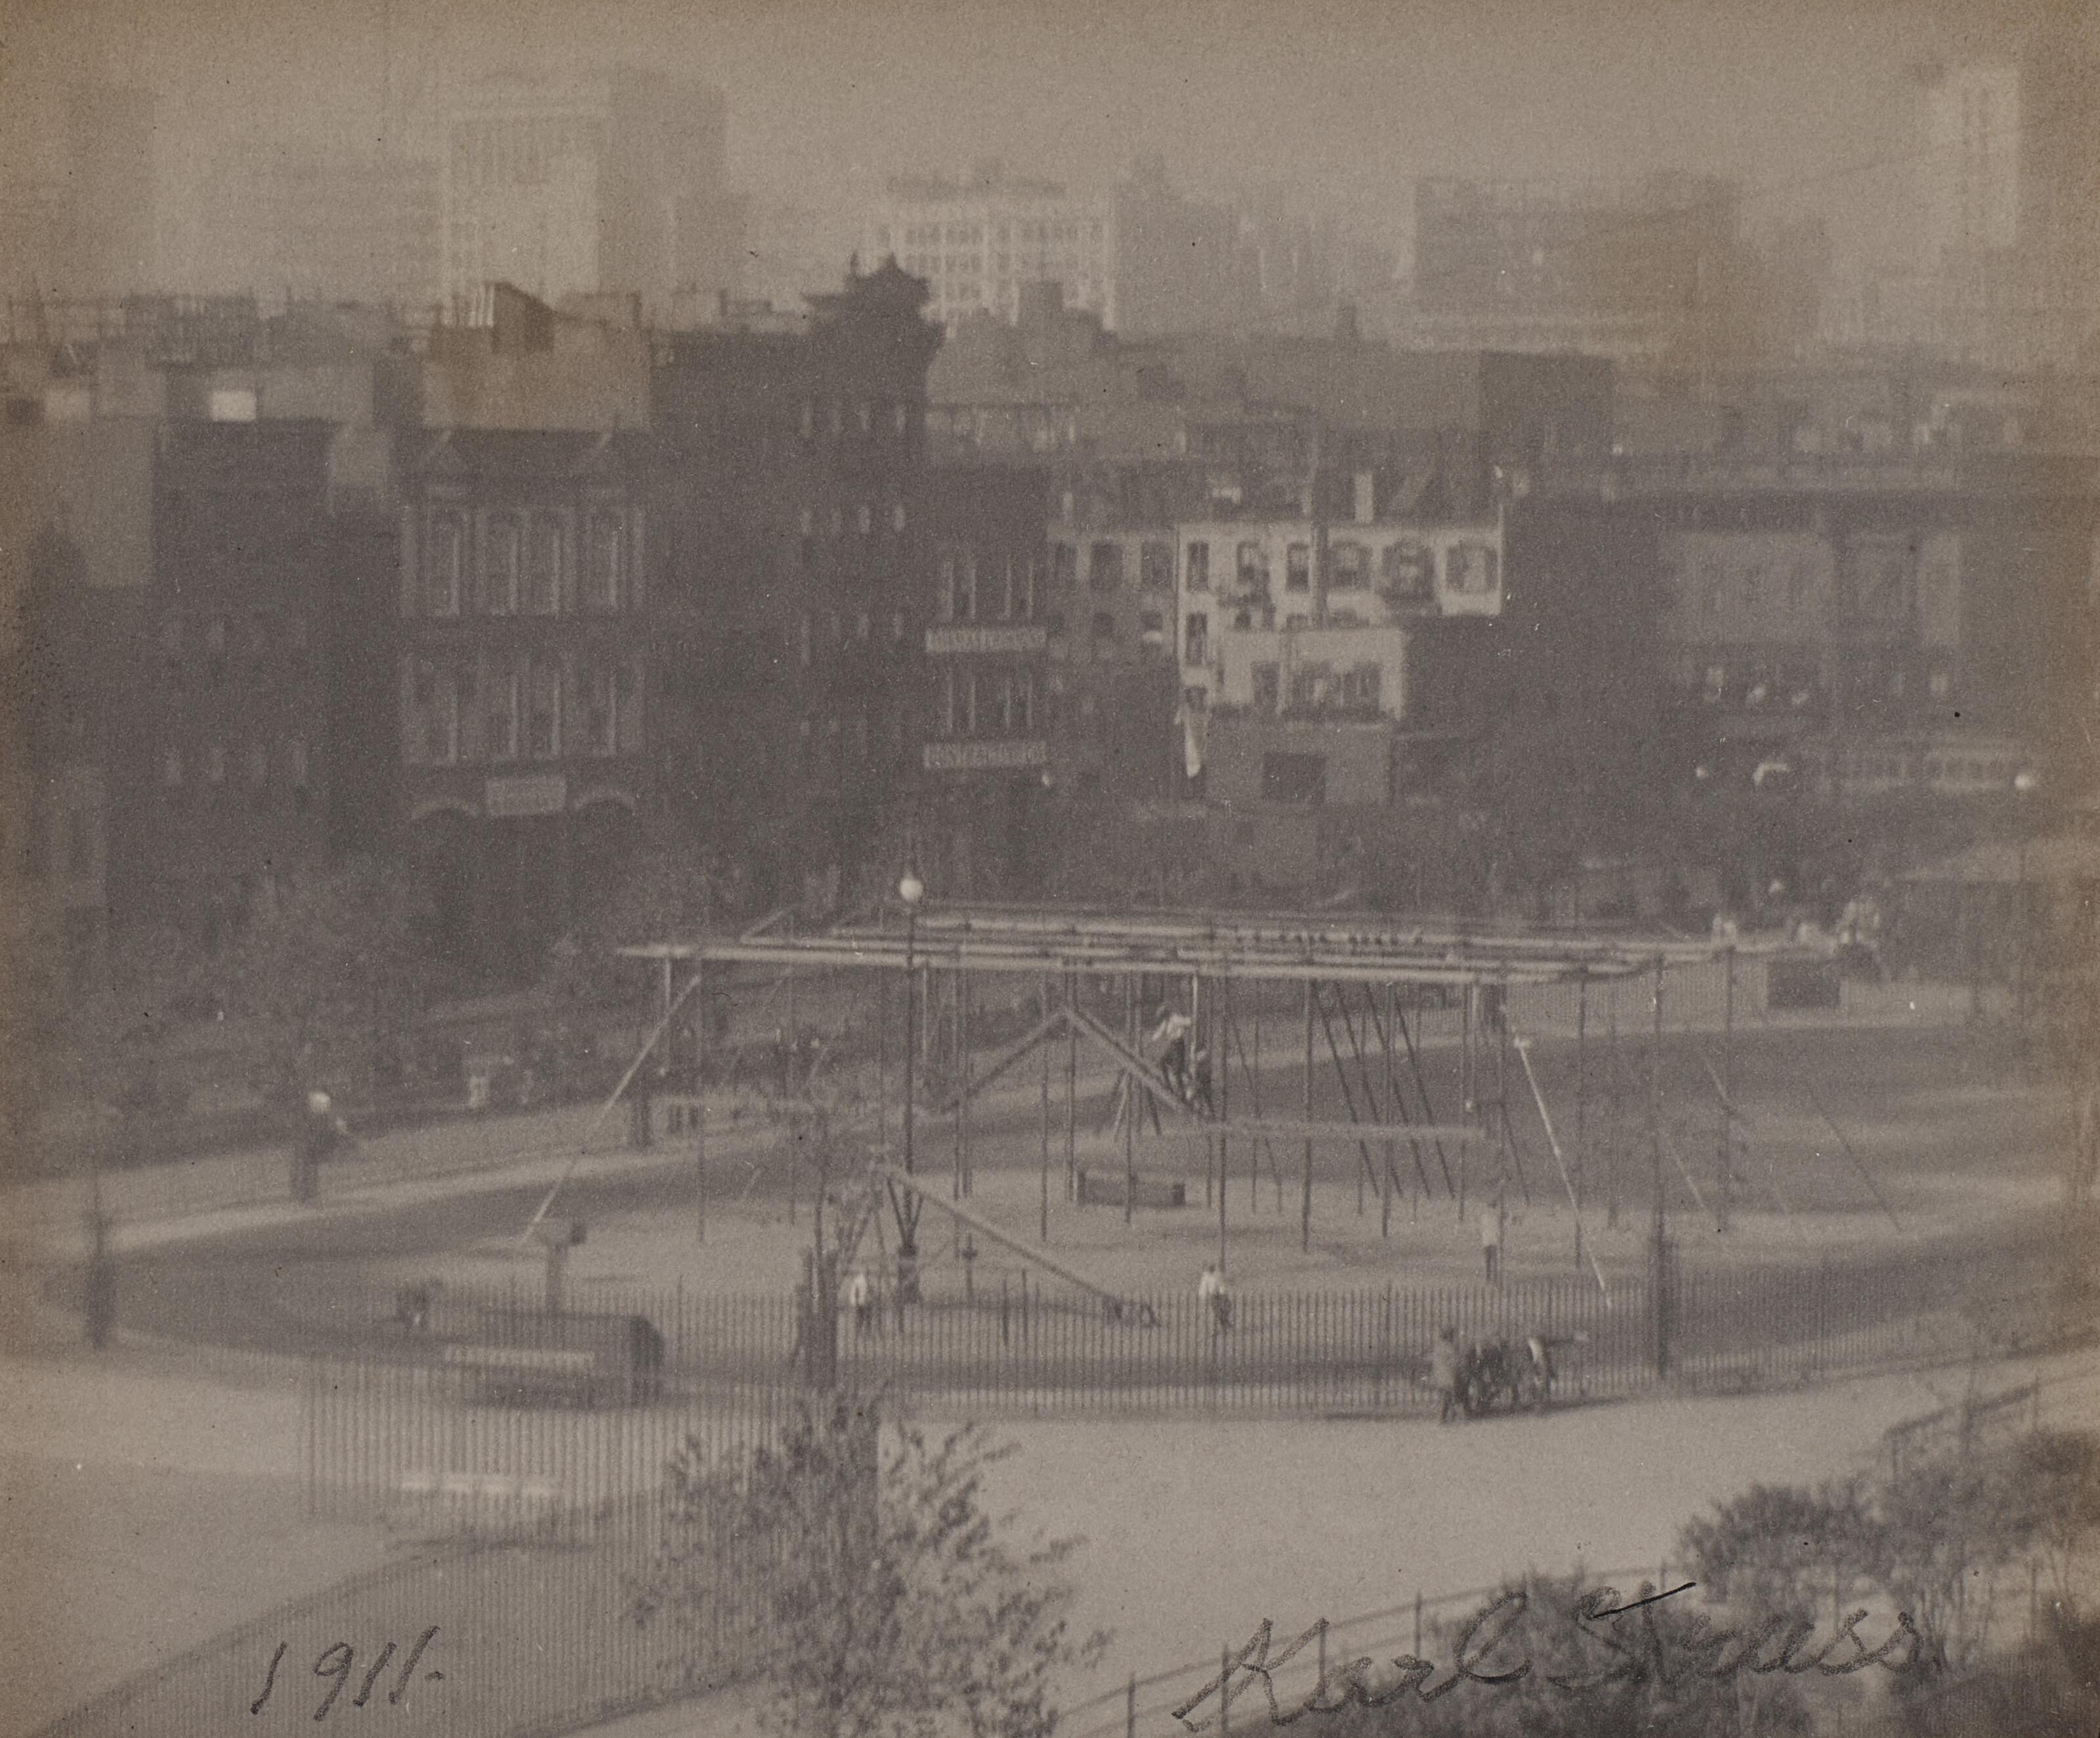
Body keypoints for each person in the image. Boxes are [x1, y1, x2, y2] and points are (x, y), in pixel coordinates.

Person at [1431, 1326, 1459, 1424]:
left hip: (1439, 1372)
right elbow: (1454, 1362)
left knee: (1446, 1394)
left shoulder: (1438, 1347)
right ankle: (1443, 1417)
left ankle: (1450, 1415)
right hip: (1447, 1373)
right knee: (1447, 1394)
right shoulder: (1449, 1348)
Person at [1479, 1195, 1505, 1286]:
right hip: (1491, 1240)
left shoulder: (1486, 1217)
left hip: (1489, 1240)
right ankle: (1492, 1278)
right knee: (1492, 1260)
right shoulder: (1494, 1217)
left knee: (1489, 1260)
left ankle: (1490, 1278)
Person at [1198, 1261, 1232, 1331]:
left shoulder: (1217, 1276)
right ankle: (1215, 1328)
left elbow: (1221, 1285)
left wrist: (1223, 1293)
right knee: (1215, 1313)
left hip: (1219, 1296)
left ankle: (1224, 1323)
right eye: (1210, 1267)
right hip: (1213, 1296)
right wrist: (1204, 1297)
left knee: (1224, 1310)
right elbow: (1204, 1288)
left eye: (1212, 1267)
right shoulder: (1206, 1277)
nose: (1211, 1269)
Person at [848, 1267, 874, 1334]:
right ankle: (857, 1334)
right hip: (860, 1304)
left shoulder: (870, 1281)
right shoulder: (858, 1280)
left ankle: (868, 1334)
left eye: (868, 1272)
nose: (867, 1273)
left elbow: (872, 1292)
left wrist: (871, 1299)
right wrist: (855, 1303)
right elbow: (854, 1293)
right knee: (860, 1320)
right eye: (866, 1272)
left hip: (868, 1304)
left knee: (868, 1321)